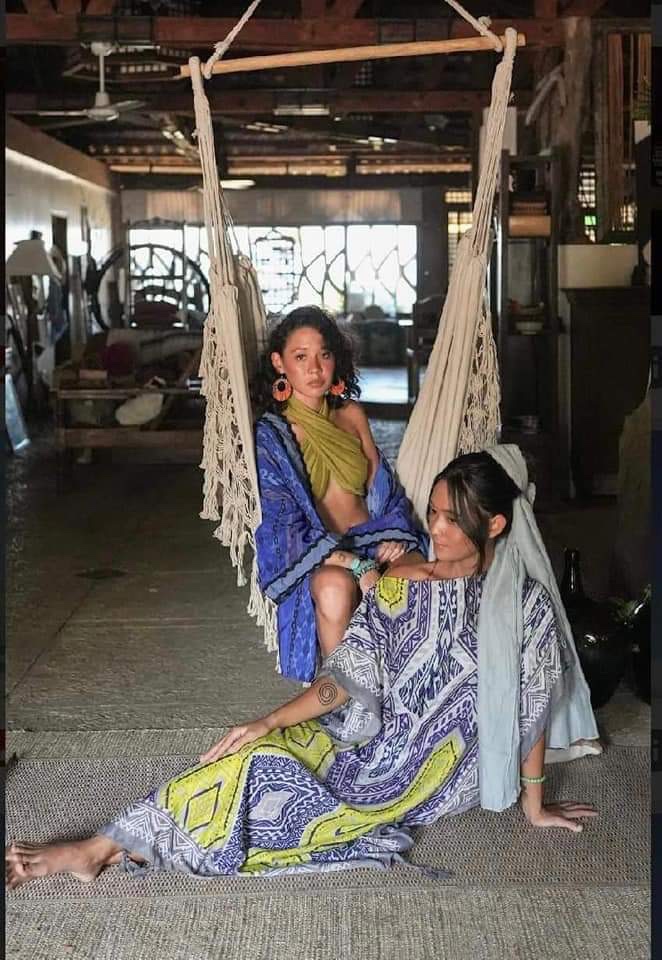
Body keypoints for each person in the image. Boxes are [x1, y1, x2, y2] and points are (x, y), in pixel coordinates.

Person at [6, 447, 599, 889]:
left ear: (494, 525)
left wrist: (534, 804)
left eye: (453, 518)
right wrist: (268, 721)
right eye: (435, 513)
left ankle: (101, 851)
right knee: (254, 753)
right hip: (370, 735)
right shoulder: (402, 580)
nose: (436, 530)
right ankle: (105, 845)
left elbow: (532, 707)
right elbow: (345, 680)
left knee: (288, 798)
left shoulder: (523, 606)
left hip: (435, 765)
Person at [253, 305, 426, 682]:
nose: (315, 369)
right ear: (279, 363)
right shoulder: (273, 435)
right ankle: (345, 695)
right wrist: (356, 565)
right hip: (323, 553)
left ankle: (411, 690)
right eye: (301, 357)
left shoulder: (351, 414)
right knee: (334, 588)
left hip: (377, 537)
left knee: (418, 574)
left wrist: (396, 535)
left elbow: (384, 490)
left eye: (324, 355)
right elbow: (282, 526)